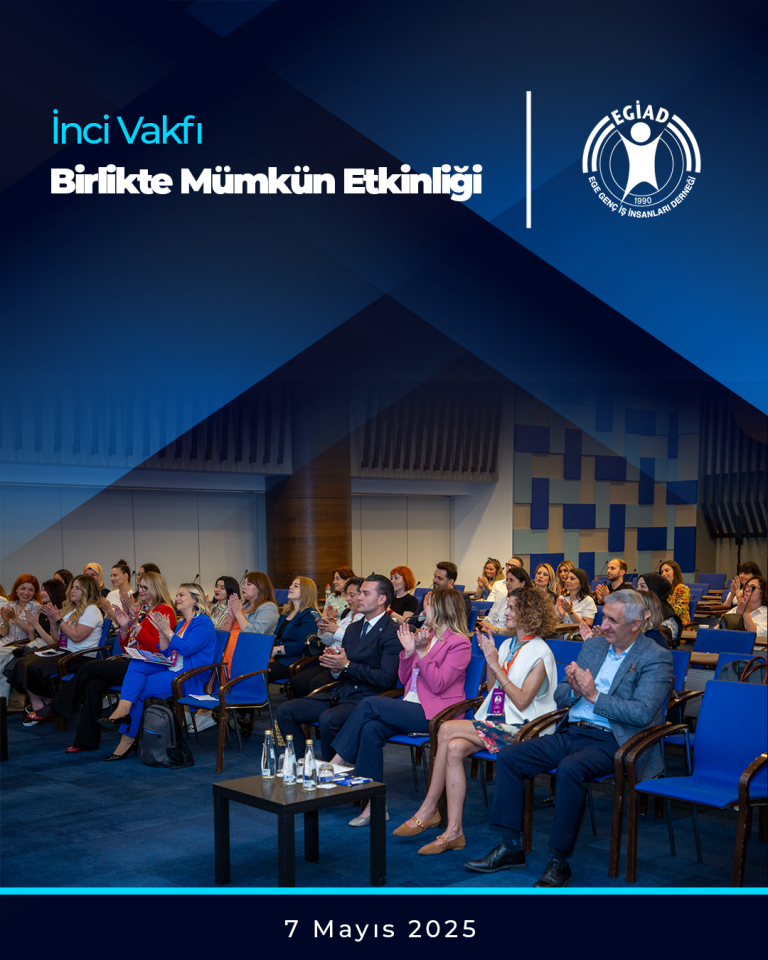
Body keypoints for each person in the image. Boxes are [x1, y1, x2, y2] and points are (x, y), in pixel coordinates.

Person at [464, 589, 673, 887]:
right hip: (572, 731)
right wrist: (575, 690)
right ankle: (510, 848)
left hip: (615, 741)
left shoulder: (655, 657)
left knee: (570, 769)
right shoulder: (595, 647)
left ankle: (559, 861)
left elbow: (642, 713)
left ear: (635, 624)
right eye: (604, 616)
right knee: (510, 756)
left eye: (612, 620)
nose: (603, 625)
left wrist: (594, 695)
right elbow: (560, 693)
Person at [394, 587, 558, 854]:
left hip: (525, 730)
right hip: (499, 722)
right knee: (454, 747)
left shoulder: (541, 652)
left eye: (512, 608)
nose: (505, 612)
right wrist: (492, 660)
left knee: (446, 729)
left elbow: (521, 701)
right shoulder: (507, 645)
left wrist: (494, 664)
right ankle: (454, 831)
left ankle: (429, 808)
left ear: (528, 613)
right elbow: (494, 691)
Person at [332, 587, 472, 826]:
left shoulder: (459, 643)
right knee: (370, 729)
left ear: (442, 609)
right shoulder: (426, 636)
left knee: (369, 704)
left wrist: (421, 652)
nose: (423, 609)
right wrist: (408, 653)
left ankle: (336, 763)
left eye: (428, 604)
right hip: (411, 705)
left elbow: (438, 684)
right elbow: (406, 680)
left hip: (436, 714)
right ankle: (374, 805)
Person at [275, 574, 400, 760]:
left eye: (365, 593)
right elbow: (343, 670)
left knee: (328, 719)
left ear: (382, 599)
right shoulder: (354, 628)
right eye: (360, 593)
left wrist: (346, 665)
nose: (359, 598)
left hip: (368, 699)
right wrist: (335, 668)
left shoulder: (392, 633)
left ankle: (332, 770)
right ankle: (300, 763)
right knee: (285, 711)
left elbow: (386, 679)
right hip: (342, 693)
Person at [48, 571, 176, 752]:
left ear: (156, 588)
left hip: (148, 667)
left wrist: (136, 626)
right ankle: (86, 741)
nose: (141, 590)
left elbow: (159, 648)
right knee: (93, 685)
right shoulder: (146, 610)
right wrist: (124, 629)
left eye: (145, 587)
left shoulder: (165, 611)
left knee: (91, 666)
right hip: (133, 661)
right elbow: (127, 646)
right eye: (140, 587)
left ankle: (56, 706)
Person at [102, 583, 216, 761]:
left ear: (195, 599)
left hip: (188, 675)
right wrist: (163, 634)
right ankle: (123, 711)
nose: (177, 598)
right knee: (137, 664)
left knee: (137, 690)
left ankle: (126, 739)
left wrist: (167, 631)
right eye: (177, 595)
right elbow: (167, 651)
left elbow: (187, 649)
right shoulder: (183, 623)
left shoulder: (203, 622)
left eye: (182, 595)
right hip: (172, 666)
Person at [23, 575, 104, 725]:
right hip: (65, 652)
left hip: (81, 657)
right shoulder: (72, 610)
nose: (72, 590)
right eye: (72, 587)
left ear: (87, 591)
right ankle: (48, 704)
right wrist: (53, 623)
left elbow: (77, 637)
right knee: (25, 662)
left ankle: (48, 705)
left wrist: (59, 620)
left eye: (77, 588)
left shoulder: (92, 610)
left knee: (33, 667)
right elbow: (58, 639)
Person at [290, 578, 365, 698]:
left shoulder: (365, 618)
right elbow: (330, 641)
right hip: (330, 658)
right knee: (298, 681)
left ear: (363, 596)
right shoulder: (347, 614)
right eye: (346, 595)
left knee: (315, 684)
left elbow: (357, 642)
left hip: (345, 663)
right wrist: (323, 628)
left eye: (351, 595)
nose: (347, 599)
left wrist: (336, 630)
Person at [3, 579, 68, 700]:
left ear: (54, 592)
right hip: (33, 645)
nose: (41, 593)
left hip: (46, 649)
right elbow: (34, 638)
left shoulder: (59, 613)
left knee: (11, 660)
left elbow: (55, 643)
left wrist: (36, 625)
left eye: (45, 590)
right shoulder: (44, 610)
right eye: (41, 590)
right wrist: (32, 630)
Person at [268, 577, 321, 683]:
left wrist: (277, 650)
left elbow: (301, 645)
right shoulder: (286, 613)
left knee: (261, 673)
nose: (290, 587)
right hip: (280, 657)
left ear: (306, 591)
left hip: (297, 660)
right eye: (291, 585)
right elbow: (276, 637)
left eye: (296, 586)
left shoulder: (309, 615)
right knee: (252, 666)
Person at [0, 575, 43, 704]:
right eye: (23, 588)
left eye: (31, 590)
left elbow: (31, 631)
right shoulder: (10, 604)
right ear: (16, 589)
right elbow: (3, 632)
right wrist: (5, 621)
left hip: (21, 646)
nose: (26, 593)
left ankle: (2, 705)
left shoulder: (35, 606)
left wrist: (14, 617)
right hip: (6, 642)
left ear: (35, 592)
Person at [406, 562, 473, 626]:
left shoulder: (461, 598)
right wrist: (424, 612)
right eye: (435, 576)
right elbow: (411, 623)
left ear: (450, 582)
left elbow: (460, 625)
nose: (435, 580)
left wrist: (432, 613)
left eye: (439, 578)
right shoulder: (428, 595)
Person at [635, 573, 682, 645]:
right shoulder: (636, 609)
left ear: (655, 589)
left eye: (642, 586)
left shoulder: (667, 617)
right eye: (637, 586)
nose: (637, 590)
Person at [485, 566, 534, 634]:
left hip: (508, 636)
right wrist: (485, 625)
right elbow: (489, 619)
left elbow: (521, 628)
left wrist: (496, 630)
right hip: (491, 633)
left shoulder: (528, 602)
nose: (508, 583)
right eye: (507, 580)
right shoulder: (501, 599)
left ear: (522, 583)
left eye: (511, 580)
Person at [659, 560, 691, 626]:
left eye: (666, 570)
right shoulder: (661, 590)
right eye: (662, 572)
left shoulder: (682, 588)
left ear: (675, 572)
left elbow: (679, 611)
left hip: (680, 626)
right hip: (664, 625)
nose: (663, 574)